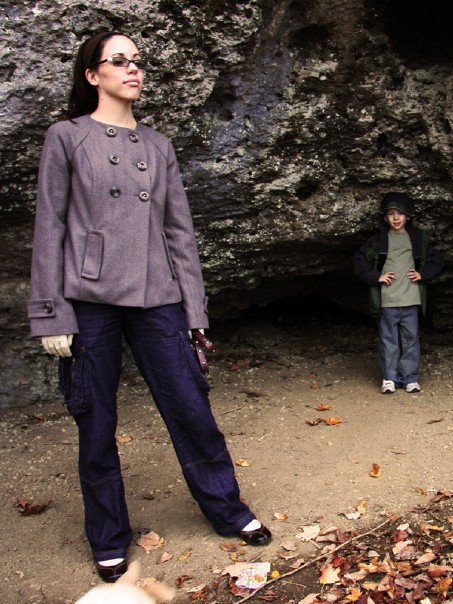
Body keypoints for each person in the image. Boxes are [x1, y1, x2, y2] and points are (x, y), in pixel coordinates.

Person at [28, 31, 271, 583]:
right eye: (119, 61)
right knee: (96, 421)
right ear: (93, 74)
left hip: (157, 294)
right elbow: (50, 227)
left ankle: (227, 508)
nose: (133, 70)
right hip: (89, 298)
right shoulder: (66, 138)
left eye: (137, 61)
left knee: (191, 405)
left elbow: (178, 232)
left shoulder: (158, 146)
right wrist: (52, 313)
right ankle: (109, 536)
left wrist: (195, 310)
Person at [353, 192, 443, 395]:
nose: (396, 218)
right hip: (388, 301)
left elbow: (437, 261)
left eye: (400, 213)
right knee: (388, 340)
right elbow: (359, 260)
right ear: (384, 217)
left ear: (408, 216)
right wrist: (377, 276)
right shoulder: (379, 240)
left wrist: (422, 274)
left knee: (411, 340)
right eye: (391, 213)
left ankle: (410, 378)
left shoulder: (418, 238)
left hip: (411, 300)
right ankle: (389, 378)